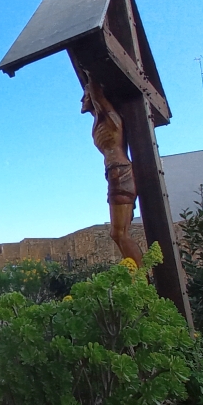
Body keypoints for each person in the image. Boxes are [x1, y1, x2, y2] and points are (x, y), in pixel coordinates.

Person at [81, 78, 144, 266]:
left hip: (120, 173)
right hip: (113, 174)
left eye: (85, 95)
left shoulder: (110, 118)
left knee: (119, 233)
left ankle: (142, 279)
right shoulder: (99, 121)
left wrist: (88, 71)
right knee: (118, 234)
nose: (82, 99)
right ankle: (141, 277)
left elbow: (97, 93)